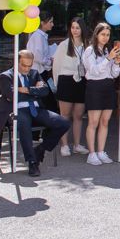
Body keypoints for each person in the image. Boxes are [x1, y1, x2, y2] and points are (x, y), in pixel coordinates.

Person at [0, 49, 69, 178]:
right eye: (23, 65)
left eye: (29, 66)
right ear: (16, 62)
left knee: (63, 123)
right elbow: (11, 95)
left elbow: (45, 91)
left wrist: (25, 90)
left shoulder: (34, 74)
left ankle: (40, 149)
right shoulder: (6, 76)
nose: (26, 69)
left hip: (36, 110)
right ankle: (32, 162)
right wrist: (33, 91)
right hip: (17, 110)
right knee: (24, 123)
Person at [80, 23, 120, 166]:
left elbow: (114, 74)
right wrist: (109, 59)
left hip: (108, 86)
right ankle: (91, 153)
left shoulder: (107, 51)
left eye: (108, 35)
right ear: (96, 34)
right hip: (95, 87)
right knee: (93, 122)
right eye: (103, 34)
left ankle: (101, 151)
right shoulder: (89, 51)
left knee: (105, 121)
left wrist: (116, 63)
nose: (105, 37)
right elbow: (94, 70)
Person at [50, 18, 87, 157]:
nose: (75, 30)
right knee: (64, 115)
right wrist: (57, 84)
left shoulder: (87, 45)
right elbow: (56, 66)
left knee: (78, 115)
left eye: (77, 27)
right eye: (73, 27)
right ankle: (64, 145)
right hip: (66, 80)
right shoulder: (64, 45)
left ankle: (77, 145)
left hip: (81, 80)